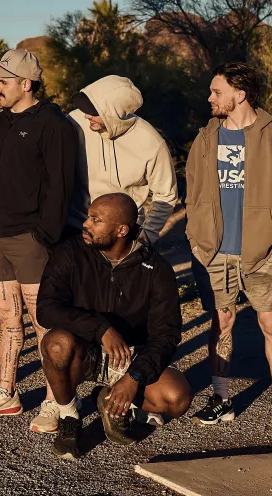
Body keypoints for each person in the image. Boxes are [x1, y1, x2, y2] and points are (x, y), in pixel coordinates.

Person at [185, 62, 272, 435]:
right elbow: (192, 191)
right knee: (221, 322)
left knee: (271, 322)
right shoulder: (206, 137)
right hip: (216, 251)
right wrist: (197, 239)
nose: (210, 98)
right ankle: (221, 399)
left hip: (263, 251)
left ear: (240, 94)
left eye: (216, 91)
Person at [0, 49, 79, 433]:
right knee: (7, 319)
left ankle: (55, 401)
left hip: (30, 240)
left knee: (42, 321)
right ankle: (7, 392)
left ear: (26, 85)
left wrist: (43, 235)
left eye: (4, 81)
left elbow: (59, 185)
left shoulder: (53, 124)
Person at [38, 193, 191, 460]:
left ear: (121, 230)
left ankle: (109, 399)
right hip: (85, 349)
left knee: (176, 397)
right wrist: (100, 329)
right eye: (88, 216)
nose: (86, 223)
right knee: (56, 343)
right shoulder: (69, 251)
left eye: (96, 220)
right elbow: (47, 309)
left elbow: (166, 335)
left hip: (131, 356)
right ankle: (70, 419)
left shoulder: (157, 269)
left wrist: (135, 378)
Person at [66, 75, 178, 245]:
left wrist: (145, 237)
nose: (87, 115)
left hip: (122, 237)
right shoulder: (75, 123)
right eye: (84, 108)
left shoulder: (150, 142)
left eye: (94, 111)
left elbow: (165, 195)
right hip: (76, 229)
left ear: (114, 112)